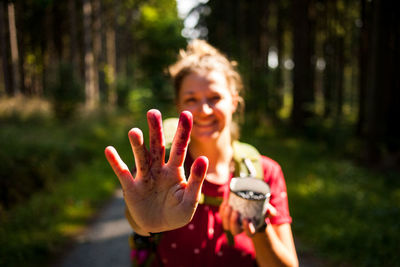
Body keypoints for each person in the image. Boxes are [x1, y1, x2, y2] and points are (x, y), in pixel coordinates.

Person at [105, 40, 298, 267]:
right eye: (191, 99)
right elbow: (140, 222)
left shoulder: (265, 172)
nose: (204, 110)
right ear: (178, 105)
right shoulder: (162, 174)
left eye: (215, 97)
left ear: (234, 101)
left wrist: (259, 228)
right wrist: (141, 222)